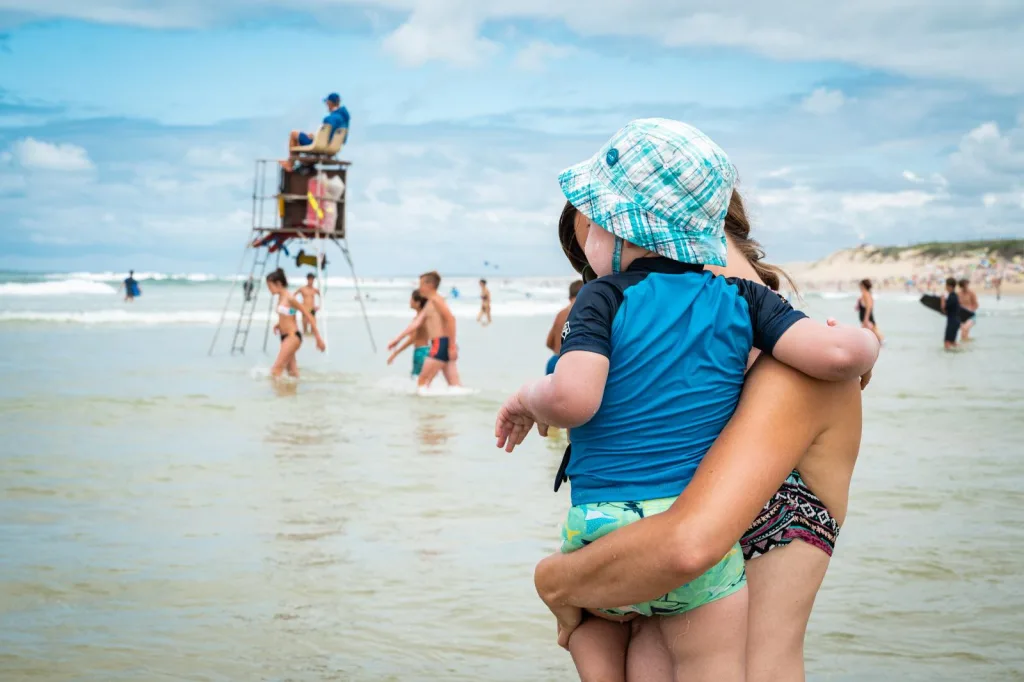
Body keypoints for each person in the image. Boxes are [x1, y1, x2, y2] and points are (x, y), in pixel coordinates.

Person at [494, 119, 880, 682]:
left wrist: (556, 580)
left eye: (600, 229)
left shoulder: (792, 375)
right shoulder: (708, 349)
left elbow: (684, 546)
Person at [265, 268, 325, 377]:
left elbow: (309, 316)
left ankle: (274, 393)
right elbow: (289, 313)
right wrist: (279, 324)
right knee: (292, 374)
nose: (268, 289)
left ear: (278, 283)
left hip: (292, 337)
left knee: (275, 370)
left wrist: (318, 338)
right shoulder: (280, 297)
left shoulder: (290, 297)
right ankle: (294, 393)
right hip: (284, 337)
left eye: (269, 286)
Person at [281, 93, 350, 172]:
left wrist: (314, 137)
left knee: (294, 134)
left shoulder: (330, 119)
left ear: (329, 103)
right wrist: (314, 136)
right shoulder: (345, 120)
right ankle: (302, 164)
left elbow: (327, 136)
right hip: (333, 148)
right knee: (303, 138)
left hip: (322, 146)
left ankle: (290, 164)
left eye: (327, 103)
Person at [415, 271, 461, 389]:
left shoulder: (436, 300)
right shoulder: (433, 301)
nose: (419, 288)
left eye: (421, 284)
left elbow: (451, 319)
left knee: (423, 381)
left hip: (440, 344)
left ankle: (422, 407)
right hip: (442, 343)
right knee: (455, 385)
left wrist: (451, 346)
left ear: (429, 285)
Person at [387, 290, 431, 378]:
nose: (410, 302)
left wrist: (396, 351)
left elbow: (412, 339)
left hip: (420, 353)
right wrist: (396, 353)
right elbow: (413, 338)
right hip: (427, 351)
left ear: (418, 303)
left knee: (417, 381)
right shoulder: (426, 317)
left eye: (411, 299)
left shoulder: (419, 319)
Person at [545, 280, 584, 375]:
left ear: (569, 298)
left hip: (553, 362)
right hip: (570, 364)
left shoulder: (560, 314)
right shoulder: (585, 313)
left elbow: (549, 342)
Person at [856, 278, 884, 343]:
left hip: (867, 319)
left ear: (863, 286)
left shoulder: (866, 294)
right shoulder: (866, 294)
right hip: (866, 319)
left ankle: (883, 344)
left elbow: (869, 307)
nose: (859, 287)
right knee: (871, 335)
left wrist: (866, 319)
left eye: (860, 285)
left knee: (875, 334)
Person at [941, 277, 961, 350]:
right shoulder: (955, 296)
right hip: (956, 321)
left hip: (952, 321)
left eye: (946, 285)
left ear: (950, 286)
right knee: (952, 342)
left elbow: (943, 308)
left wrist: (942, 299)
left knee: (947, 343)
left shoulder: (952, 296)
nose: (945, 287)